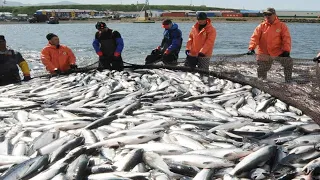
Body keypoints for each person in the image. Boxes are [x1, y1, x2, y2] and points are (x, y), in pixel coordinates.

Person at [246, 7, 293, 83]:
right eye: (265, 14)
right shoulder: (261, 26)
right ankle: (261, 83)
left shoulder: (282, 26)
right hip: (263, 53)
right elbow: (254, 38)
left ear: (274, 15)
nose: (267, 16)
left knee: (288, 63)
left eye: (269, 14)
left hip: (278, 52)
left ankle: (288, 80)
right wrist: (251, 48)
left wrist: (286, 50)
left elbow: (286, 39)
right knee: (262, 69)